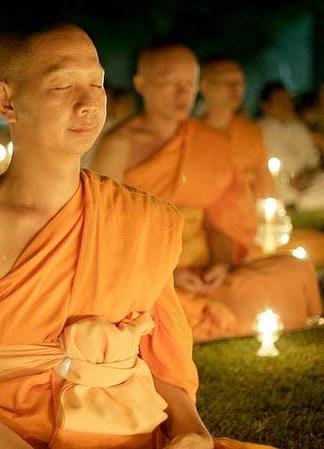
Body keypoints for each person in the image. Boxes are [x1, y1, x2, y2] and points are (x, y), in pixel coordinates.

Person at [0, 18, 276, 449]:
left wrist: (189, 429)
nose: (88, 104)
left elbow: (161, 360)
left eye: (97, 84)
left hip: (132, 433)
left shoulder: (138, 217)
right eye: (61, 86)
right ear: (7, 101)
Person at [92, 43, 321, 342]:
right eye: (169, 84)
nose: (182, 94)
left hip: (201, 267)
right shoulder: (119, 145)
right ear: (141, 84)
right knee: (147, 302)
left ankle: (204, 303)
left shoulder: (208, 141)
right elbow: (106, 229)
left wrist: (220, 264)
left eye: (189, 84)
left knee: (294, 271)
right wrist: (164, 275)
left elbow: (216, 219)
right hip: (145, 270)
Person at [198, 58, 324, 267]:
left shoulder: (250, 132)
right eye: (227, 82)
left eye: (239, 83)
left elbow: (265, 186)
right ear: (204, 86)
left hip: (249, 220)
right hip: (208, 227)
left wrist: (270, 220)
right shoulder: (190, 133)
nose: (236, 89)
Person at [256, 81, 324, 212]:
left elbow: (314, 163)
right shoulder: (258, 131)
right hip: (274, 186)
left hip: (306, 187)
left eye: (287, 100)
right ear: (265, 105)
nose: (285, 105)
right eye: (280, 101)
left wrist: (306, 176)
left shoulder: (299, 129)